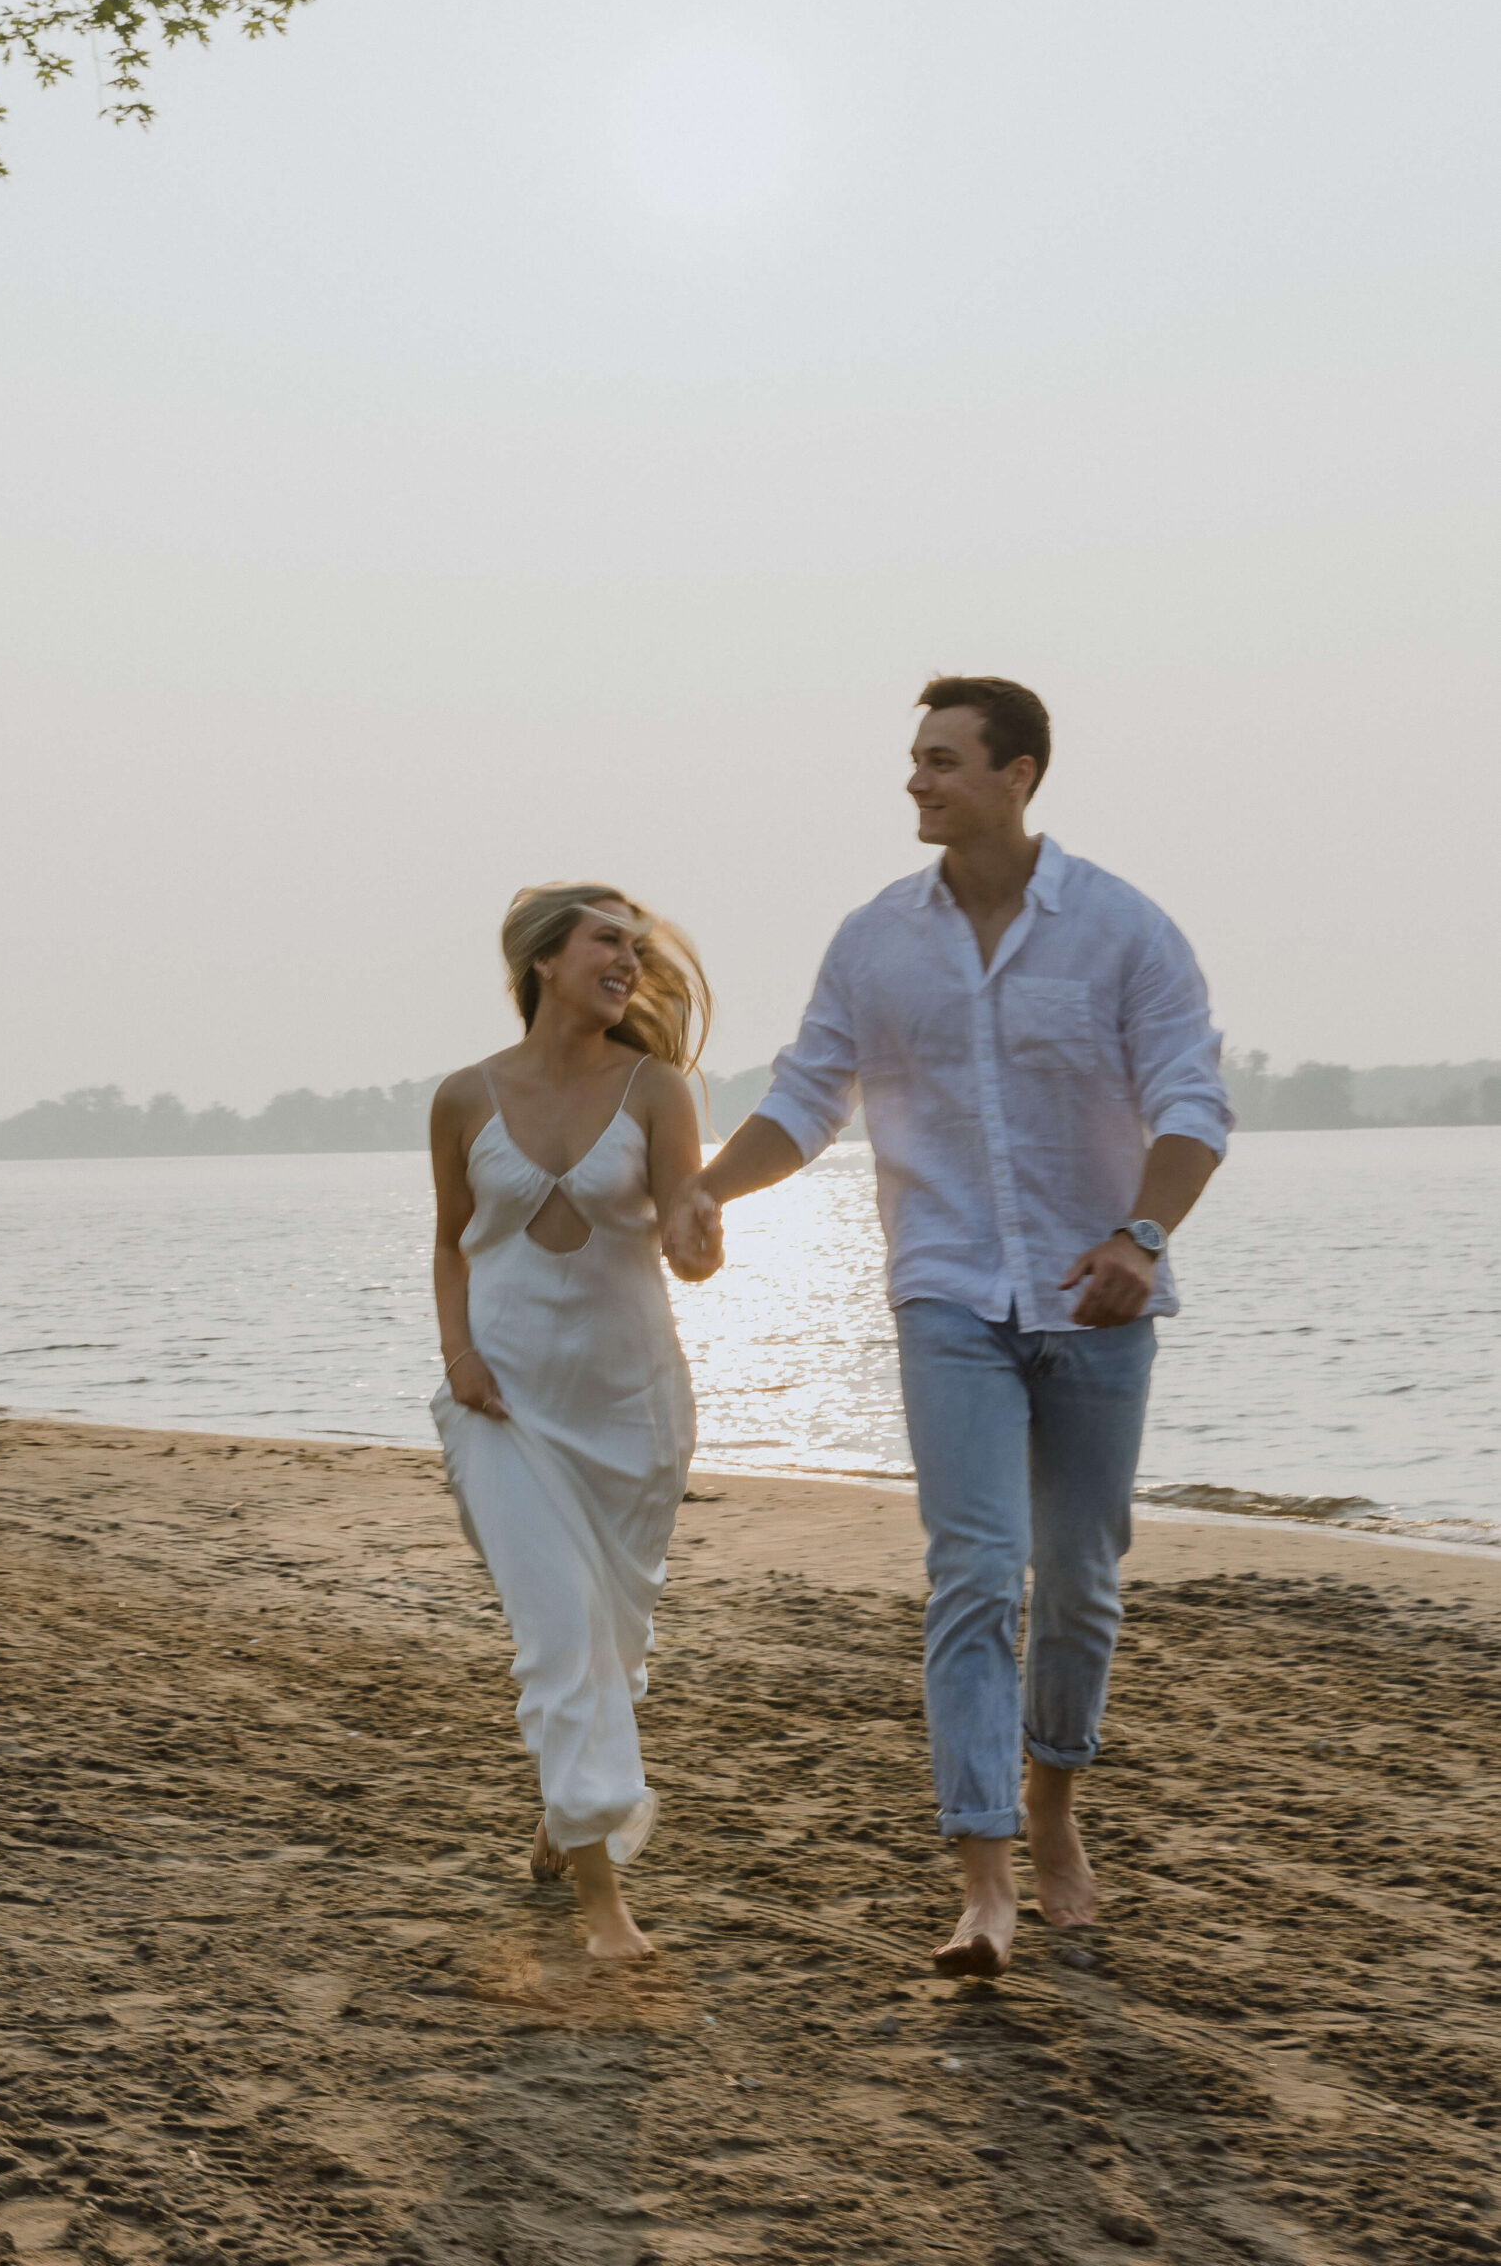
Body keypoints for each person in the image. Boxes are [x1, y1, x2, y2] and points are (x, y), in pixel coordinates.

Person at [663, 677, 1231, 1978]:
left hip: (1098, 1299)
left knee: (1079, 1583)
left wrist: (1138, 1240)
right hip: (945, 1293)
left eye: (939, 761)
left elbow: (1191, 1106)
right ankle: (980, 1879)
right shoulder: (874, 940)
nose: (914, 782)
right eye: (911, 760)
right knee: (972, 1575)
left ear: (1016, 774)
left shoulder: (1121, 931)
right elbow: (806, 1097)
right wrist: (703, 1185)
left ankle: (1050, 1809)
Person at [430, 883, 713, 1963]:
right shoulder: (464, 1096)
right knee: (560, 1642)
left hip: (633, 1409)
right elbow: (452, 1240)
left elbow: (687, 1237)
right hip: (503, 1404)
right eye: (608, 940)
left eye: (638, 948)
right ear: (545, 959)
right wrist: (458, 1353)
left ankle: (564, 1810)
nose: (629, 961)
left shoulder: (659, 1089)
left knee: (614, 1644)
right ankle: (605, 1907)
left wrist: (703, 1237)